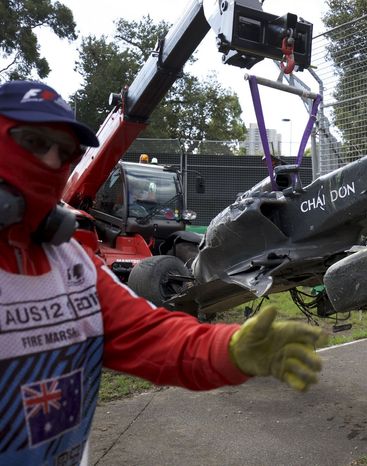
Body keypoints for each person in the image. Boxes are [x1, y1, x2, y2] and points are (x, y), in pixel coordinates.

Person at [0, 80, 325, 465]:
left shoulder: (73, 264)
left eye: (66, 151)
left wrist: (230, 350)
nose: (54, 162)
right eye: (35, 142)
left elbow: (152, 336)